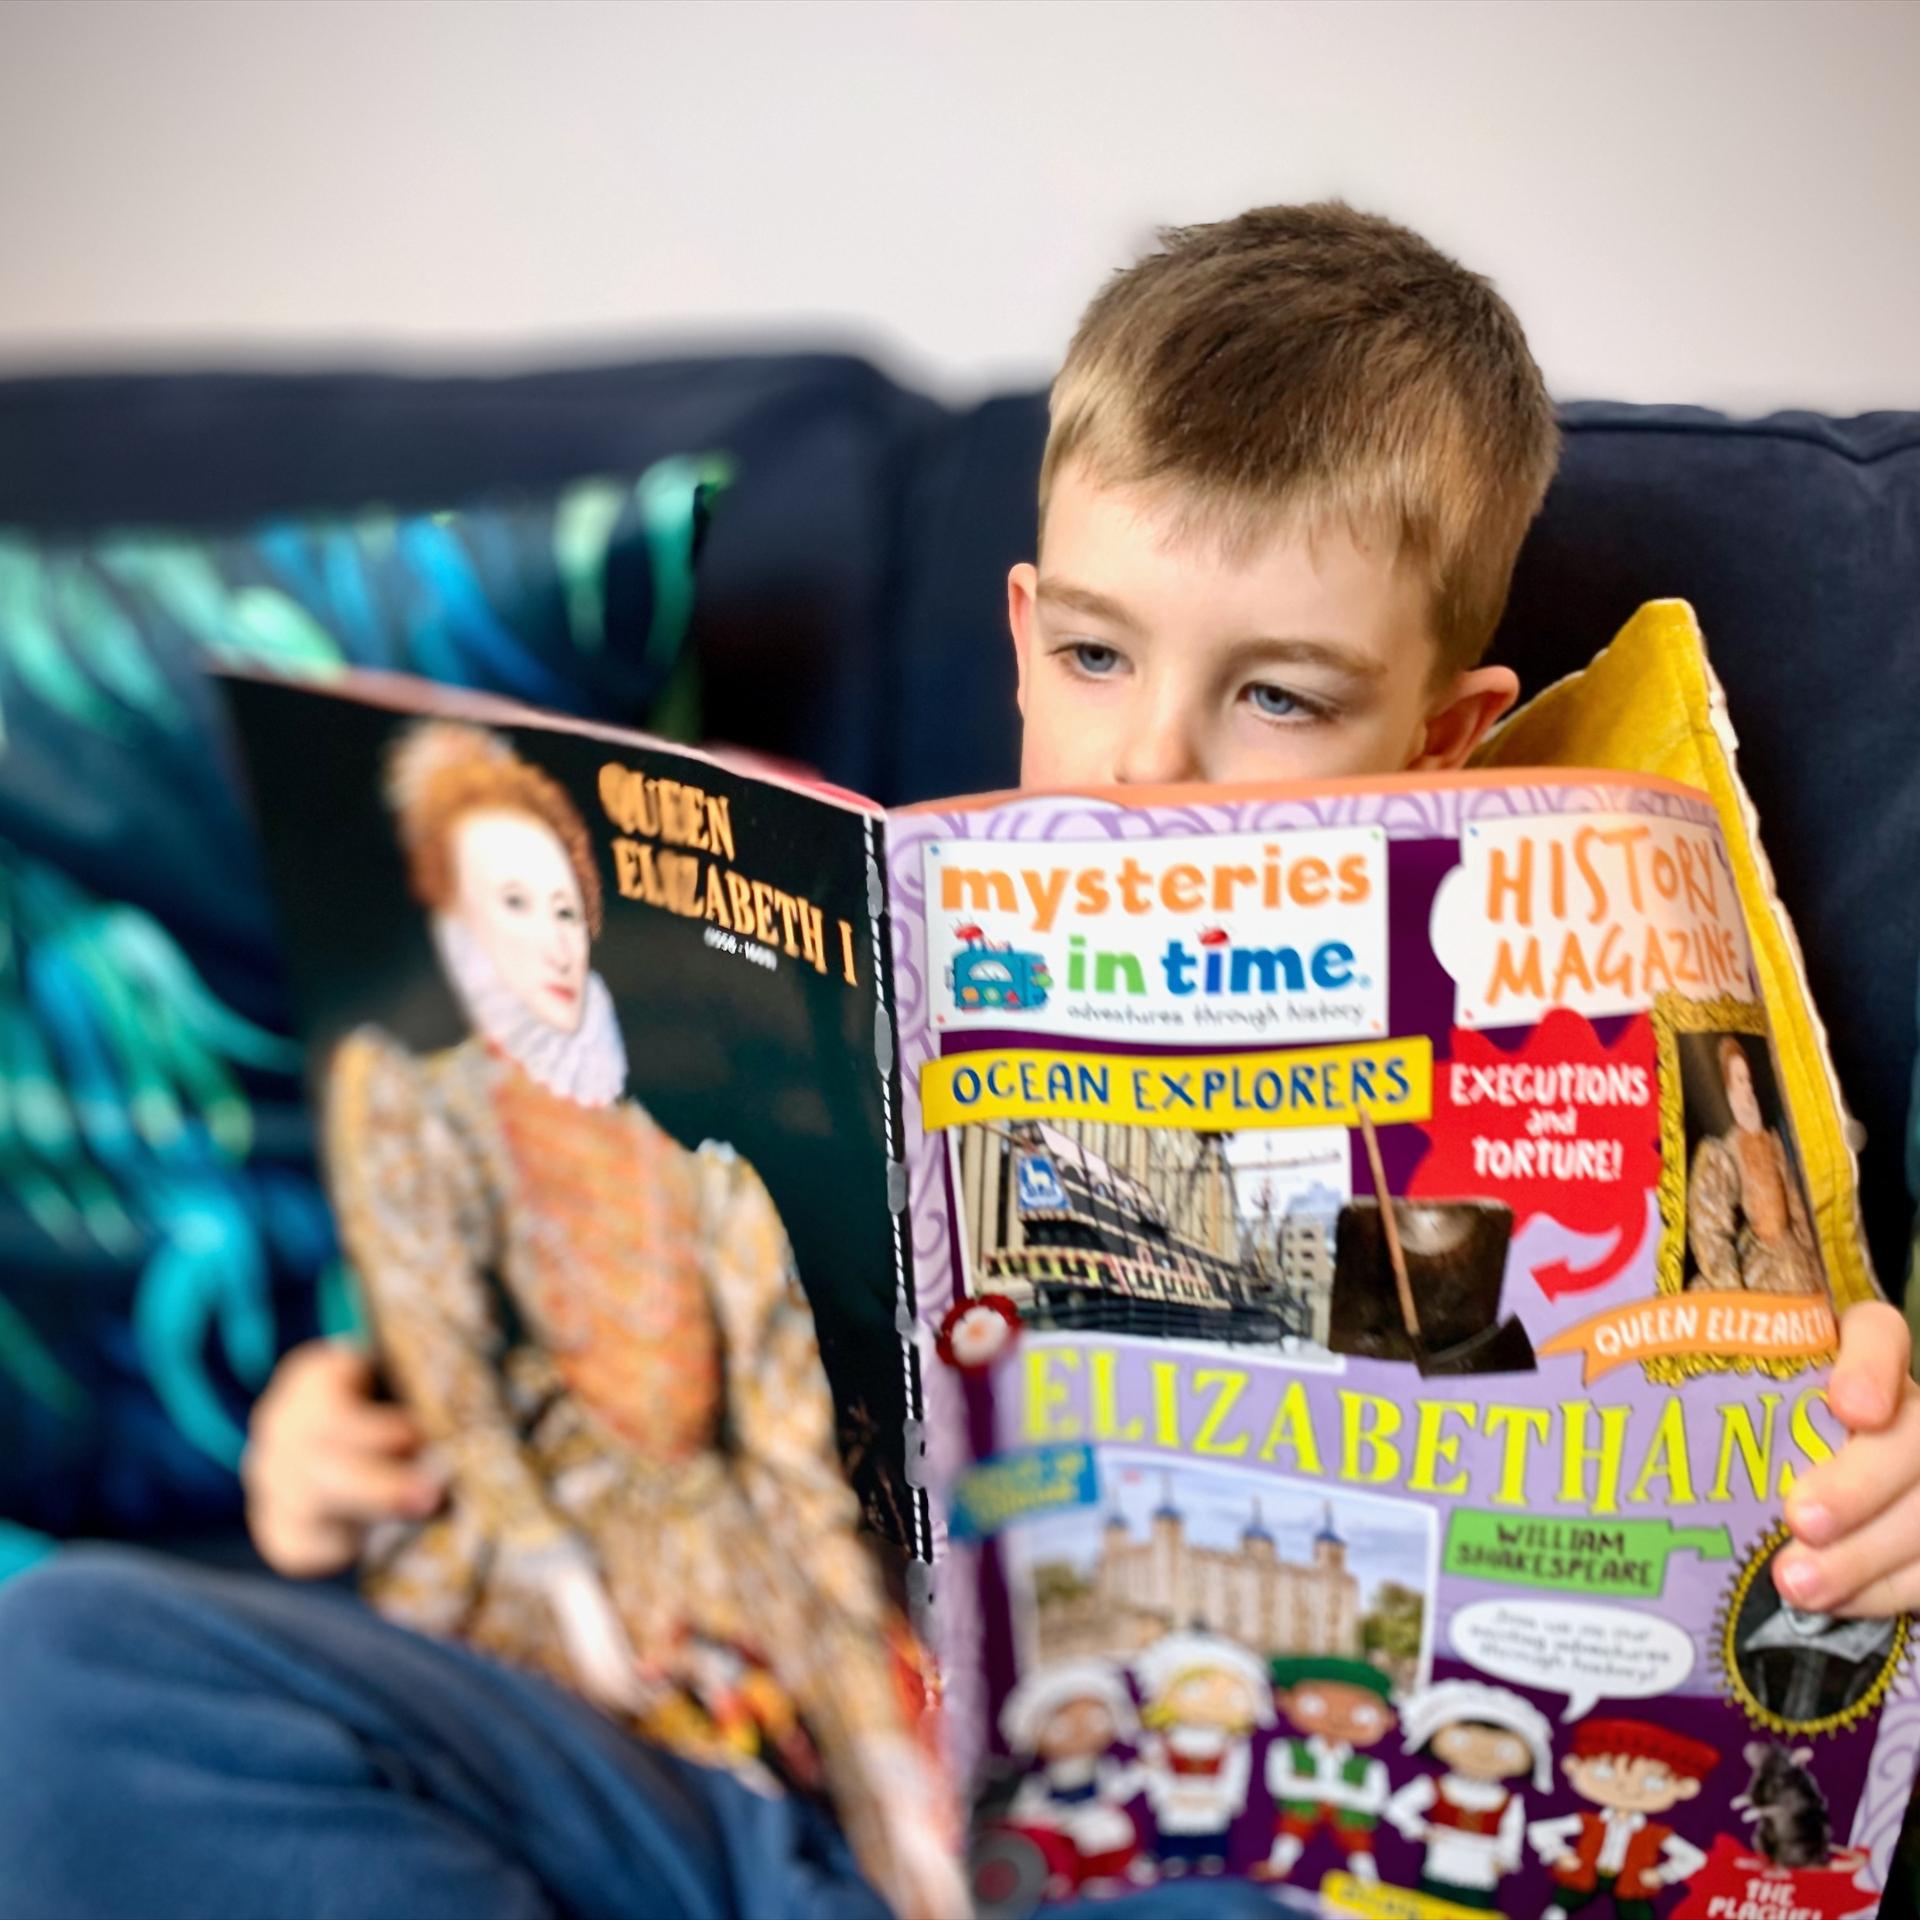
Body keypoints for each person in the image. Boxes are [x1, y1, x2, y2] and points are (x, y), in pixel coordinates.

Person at [0, 199, 1912, 1919]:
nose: (1146, 764)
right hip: (756, 1800)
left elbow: (1735, 1498)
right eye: (1096, 657)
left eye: (1273, 696)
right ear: (1020, 631)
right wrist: (351, 1465)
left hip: (1194, 1871)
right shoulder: (881, 957)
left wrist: (1877, 1498)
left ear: (1442, 734)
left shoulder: (1600, 1037)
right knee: (74, 1666)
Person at [319, 719, 952, 1916]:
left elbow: (793, 1475)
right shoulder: (415, 1112)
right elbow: (444, 1375)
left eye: (567, 911)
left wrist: (880, 1755)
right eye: (515, 906)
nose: (553, 943)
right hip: (537, 1555)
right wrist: (567, 1591)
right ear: (454, 918)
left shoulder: (708, 1185)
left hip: (738, 1567)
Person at [1386, 1680, 1553, 1910]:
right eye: (1462, 1740)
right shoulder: (1435, 1785)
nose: (1481, 1754)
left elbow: (1512, 1832)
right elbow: (1397, 1807)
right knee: (1430, 1906)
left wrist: (1504, 1859)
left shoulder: (1508, 1800)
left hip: (1482, 1868)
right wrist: (1420, 1830)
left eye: (1504, 1749)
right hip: (1441, 1860)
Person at [1529, 1719, 1716, 1919]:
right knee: (1564, 1901)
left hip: (1631, 1882)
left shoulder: (1653, 1833)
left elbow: (1694, 1857)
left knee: (1636, 1912)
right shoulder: (1589, 1821)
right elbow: (1540, 1830)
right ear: (1574, 1765)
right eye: (1605, 1772)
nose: (1629, 1789)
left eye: (1653, 1782)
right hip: (1585, 1874)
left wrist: (1663, 1874)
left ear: (1685, 1788)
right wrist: (1559, 1853)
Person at [1688, 1035, 1822, 1294]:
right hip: (1755, 1271)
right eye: (1739, 1081)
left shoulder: (1773, 1144)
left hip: (1794, 1265)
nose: (1747, 1089)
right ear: (1727, 1089)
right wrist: (1731, 1289)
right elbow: (1710, 1228)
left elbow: (1797, 1208)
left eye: (1748, 1080)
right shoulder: (1721, 1154)